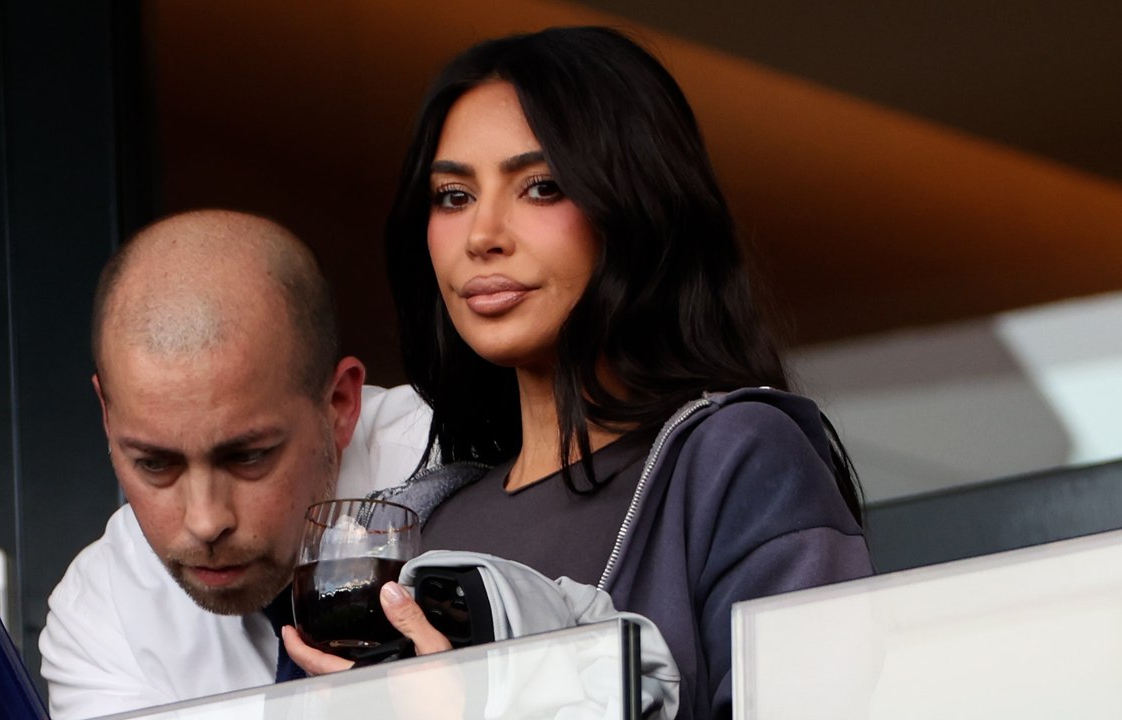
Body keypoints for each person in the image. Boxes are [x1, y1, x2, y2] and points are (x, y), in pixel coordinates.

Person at [288, 27, 873, 720]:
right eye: (452, 196)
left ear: (634, 206)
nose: (483, 235)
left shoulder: (737, 462)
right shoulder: (416, 528)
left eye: (541, 187)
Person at [38, 210, 430, 719]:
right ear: (107, 417)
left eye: (248, 457)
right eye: (155, 464)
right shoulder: (103, 610)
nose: (205, 522)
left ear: (338, 405)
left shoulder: (476, 472)